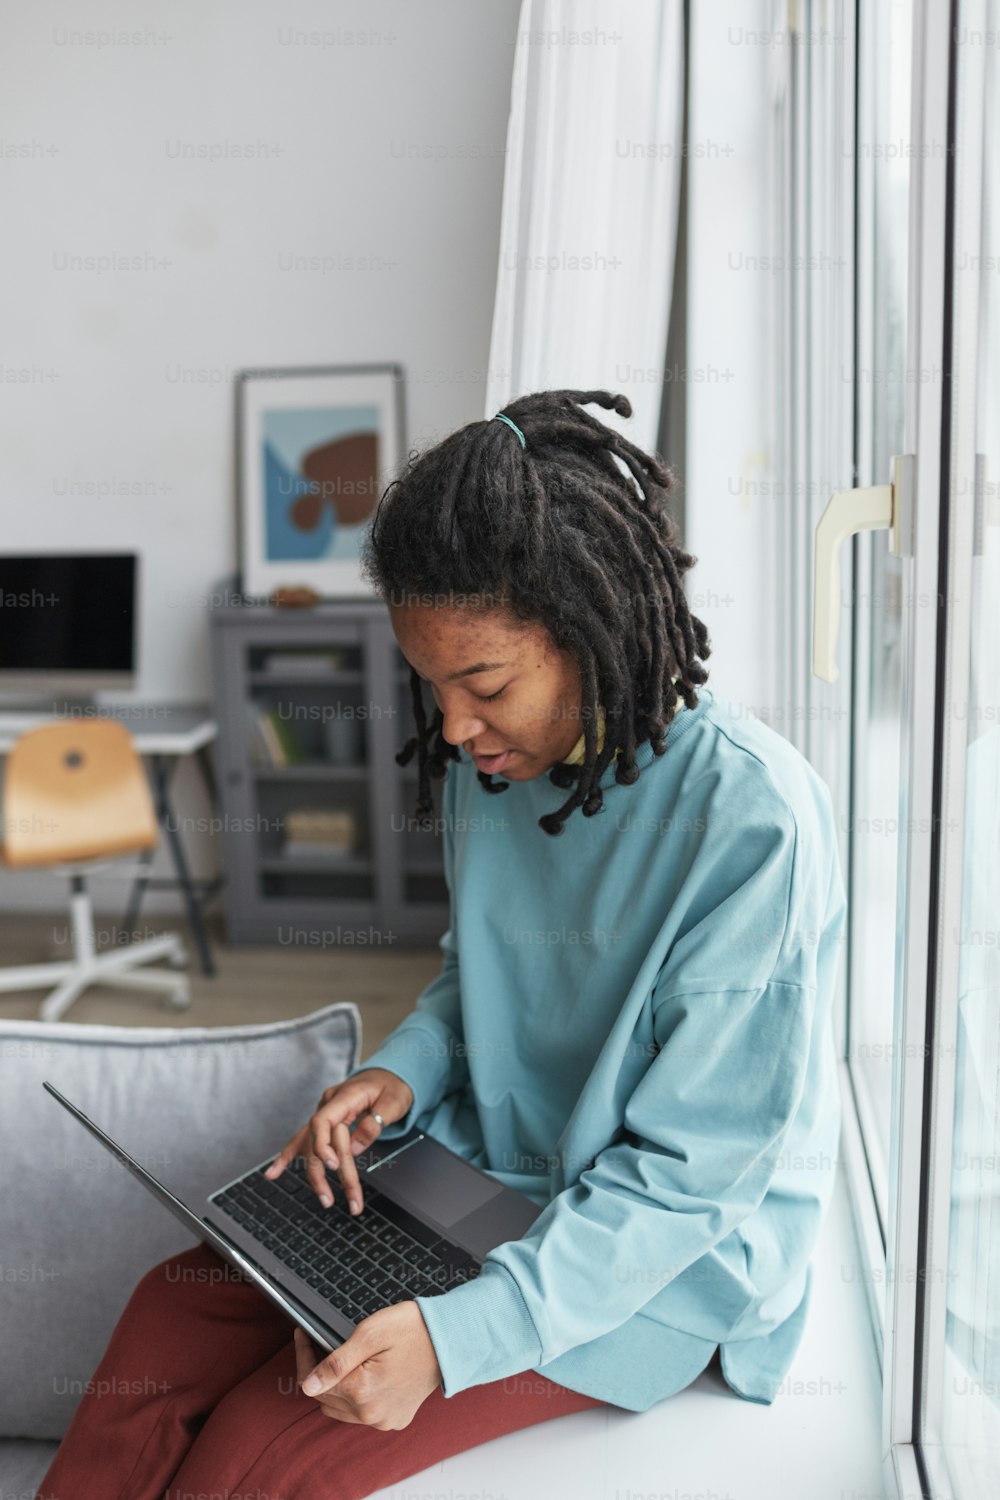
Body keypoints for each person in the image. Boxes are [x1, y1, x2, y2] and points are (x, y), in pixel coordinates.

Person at [40, 388, 846, 1499]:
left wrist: (453, 1340)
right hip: (476, 1181)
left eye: (484, 684)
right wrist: (400, 1071)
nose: (455, 727)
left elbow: (684, 1186)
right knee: (171, 1308)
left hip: (649, 1263)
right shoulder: (494, 770)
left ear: (590, 627)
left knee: (258, 1457)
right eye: (432, 686)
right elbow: (482, 982)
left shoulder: (753, 822)